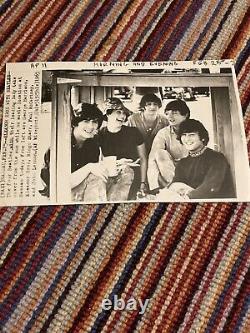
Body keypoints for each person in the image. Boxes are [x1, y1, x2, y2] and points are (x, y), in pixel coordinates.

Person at [157, 119, 235, 200]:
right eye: (184, 135)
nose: (187, 139)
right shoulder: (183, 163)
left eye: (191, 135)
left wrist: (186, 197)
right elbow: (175, 185)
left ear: (202, 138)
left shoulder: (216, 158)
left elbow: (210, 188)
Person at [99, 101, 148, 200]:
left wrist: (143, 183)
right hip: (109, 174)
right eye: (118, 112)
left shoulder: (133, 132)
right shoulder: (99, 135)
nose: (122, 116)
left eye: (124, 113)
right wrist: (117, 163)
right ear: (108, 113)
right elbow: (99, 161)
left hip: (132, 175)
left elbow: (143, 158)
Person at [147, 99, 190, 190]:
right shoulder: (163, 133)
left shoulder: (195, 129)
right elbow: (152, 159)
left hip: (192, 169)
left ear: (185, 115)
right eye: (167, 113)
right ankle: (174, 188)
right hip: (171, 174)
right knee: (159, 153)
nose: (170, 116)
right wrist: (158, 181)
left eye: (174, 113)